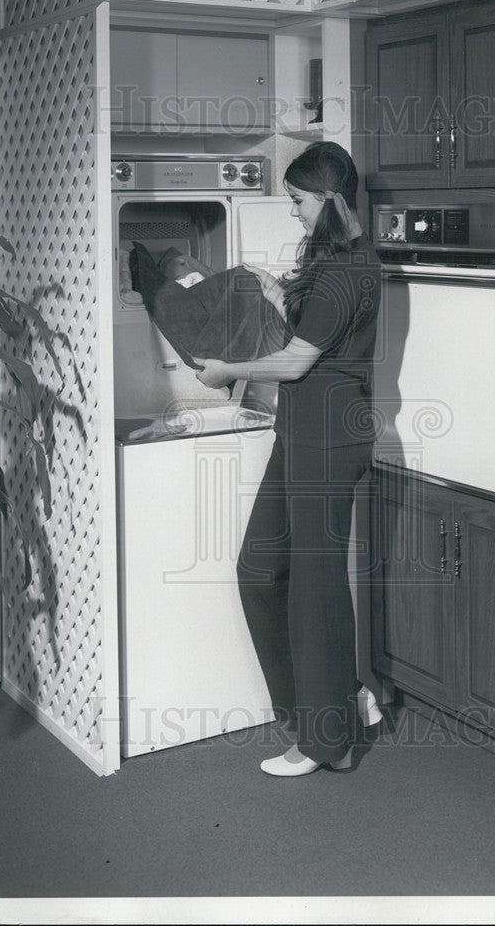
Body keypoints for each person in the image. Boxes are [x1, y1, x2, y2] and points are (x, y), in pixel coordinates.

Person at [195, 141, 383, 777]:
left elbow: (300, 360)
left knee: (316, 591)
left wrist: (229, 369)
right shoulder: (338, 260)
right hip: (301, 431)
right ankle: (327, 705)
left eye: (299, 201)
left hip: (328, 437)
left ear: (328, 198)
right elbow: (318, 338)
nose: (295, 213)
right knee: (258, 569)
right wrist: (278, 297)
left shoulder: (345, 269)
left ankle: (325, 741)